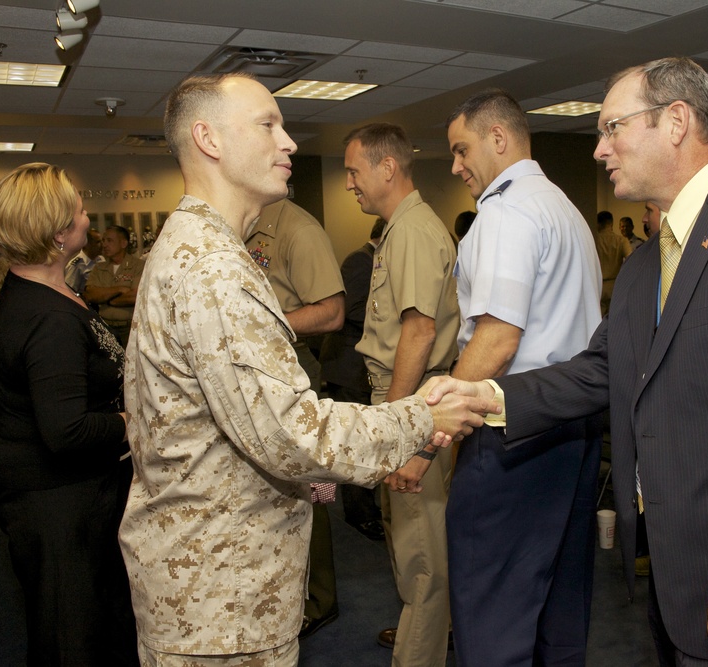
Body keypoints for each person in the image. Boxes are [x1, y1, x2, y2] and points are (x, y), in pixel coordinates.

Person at [424, 56, 708, 667]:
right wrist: (493, 398)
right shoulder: (645, 263)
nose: (598, 149)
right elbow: (600, 368)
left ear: (676, 121)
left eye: (612, 128)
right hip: (677, 577)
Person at [118, 72, 495, 667]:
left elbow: (246, 424)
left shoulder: (201, 249)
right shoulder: (213, 272)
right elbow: (293, 433)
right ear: (208, 140)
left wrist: (297, 469)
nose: (289, 141)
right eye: (268, 124)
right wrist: (423, 417)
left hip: (216, 580)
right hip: (219, 600)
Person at [443, 88, 603, 666]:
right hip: (573, 429)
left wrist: (438, 428)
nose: (457, 166)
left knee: (492, 618)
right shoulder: (561, 205)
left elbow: (497, 338)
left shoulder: (506, 211)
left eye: (462, 150)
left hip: (515, 435)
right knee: (560, 609)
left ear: (499, 139)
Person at [0, 162, 138, 666]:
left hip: (69, 493)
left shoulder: (44, 291)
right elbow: (66, 431)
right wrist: (136, 423)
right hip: (55, 503)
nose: (88, 216)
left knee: (93, 622)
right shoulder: (47, 317)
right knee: (73, 636)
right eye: (79, 209)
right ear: (57, 233)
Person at [344, 122, 460, 666]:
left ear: (386, 168)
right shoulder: (401, 227)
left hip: (411, 402)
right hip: (406, 397)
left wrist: (393, 428)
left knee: (423, 555)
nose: (349, 184)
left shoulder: (413, 230)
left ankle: (421, 649)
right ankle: (423, 630)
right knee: (407, 538)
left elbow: (417, 331)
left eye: (353, 171)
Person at [247, 197, 347, 639]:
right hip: (257, 372)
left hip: (293, 371)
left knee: (313, 489)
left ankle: (320, 598)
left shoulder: (297, 229)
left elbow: (331, 311)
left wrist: (261, 324)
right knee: (271, 493)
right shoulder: (243, 224)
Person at [320, 217, 388, 541]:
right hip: (348, 367)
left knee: (366, 444)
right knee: (354, 447)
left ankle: (367, 509)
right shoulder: (361, 261)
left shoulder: (371, 260)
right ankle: (359, 515)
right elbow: (346, 312)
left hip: (357, 368)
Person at [84, 225, 144, 348]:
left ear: (123, 243)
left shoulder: (139, 266)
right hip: (105, 328)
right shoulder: (99, 268)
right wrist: (120, 289)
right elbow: (90, 295)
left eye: (109, 240)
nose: (104, 245)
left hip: (131, 329)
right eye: (103, 241)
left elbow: (134, 296)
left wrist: (106, 298)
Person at [595, 209, 632, 315]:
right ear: (611, 223)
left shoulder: (594, 240)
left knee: (598, 318)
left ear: (598, 224)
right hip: (615, 283)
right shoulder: (621, 240)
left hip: (599, 284)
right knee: (614, 317)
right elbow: (630, 258)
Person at [64, 227, 102, 295]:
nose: (102, 245)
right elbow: (69, 292)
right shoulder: (76, 265)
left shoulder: (102, 260)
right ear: (87, 244)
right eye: (98, 242)